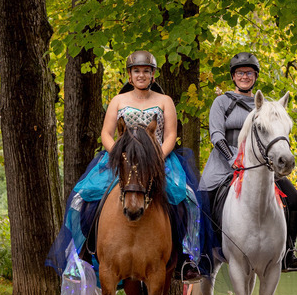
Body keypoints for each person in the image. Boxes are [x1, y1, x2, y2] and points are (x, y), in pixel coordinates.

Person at [47, 51, 203, 282]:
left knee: (187, 198)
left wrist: (156, 156)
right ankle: (82, 255)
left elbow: (171, 135)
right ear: (130, 76)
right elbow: (106, 134)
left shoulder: (165, 101)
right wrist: (118, 155)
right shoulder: (118, 101)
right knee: (83, 197)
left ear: (153, 75)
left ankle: (185, 257)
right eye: (137, 71)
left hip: (159, 160)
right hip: (122, 159)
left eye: (146, 71)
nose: (141, 75)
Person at [199, 52, 297, 273]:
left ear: (255, 76)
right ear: (233, 76)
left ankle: (288, 251)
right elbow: (216, 135)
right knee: (203, 202)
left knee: (294, 199)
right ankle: (201, 256)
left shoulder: (265, 106)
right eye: (240, 73)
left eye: (249, 72)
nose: (244, 76)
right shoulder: (222, 102)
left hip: (259, 165)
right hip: (224, 163)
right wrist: (232, 159)